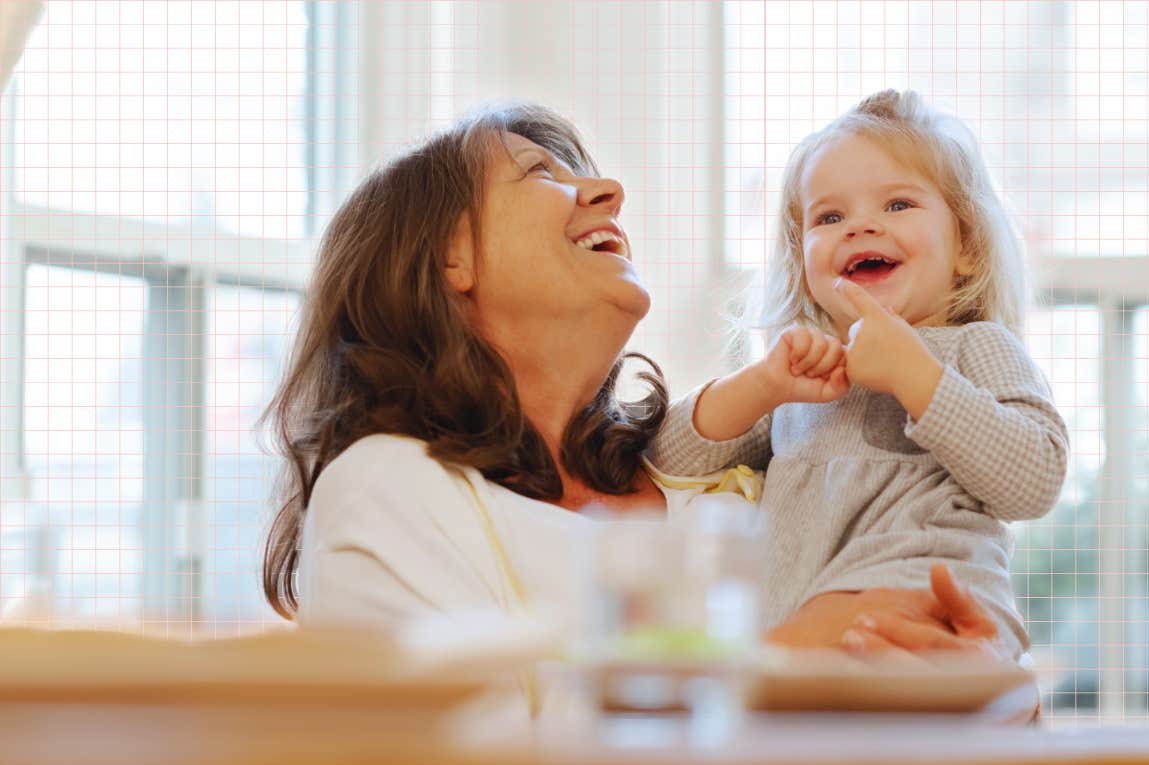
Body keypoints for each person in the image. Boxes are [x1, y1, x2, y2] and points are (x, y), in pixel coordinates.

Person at [260, 100, 1006, 715]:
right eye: (540, 174)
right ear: (449, 254)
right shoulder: (391, 487)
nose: (608, 190)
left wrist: (994, 700)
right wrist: (787, 667)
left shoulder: (719, 471)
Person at [648, 89, 1070, 661]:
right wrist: (760, 386)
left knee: (749, 681)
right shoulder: (807, 376)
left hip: (925, 597)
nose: (861, 226)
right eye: (830, 216)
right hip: (804, 619)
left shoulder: (975, 347)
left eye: (898, 205)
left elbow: (1033, 480)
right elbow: (668, 458)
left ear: (965, 245)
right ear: (803, 263)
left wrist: (917, 375)